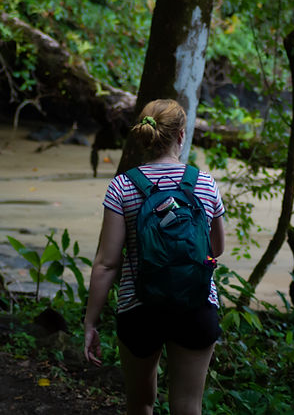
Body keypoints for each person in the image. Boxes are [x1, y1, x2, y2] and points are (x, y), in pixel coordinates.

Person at [83, 99, 226, 415]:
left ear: (143, 136)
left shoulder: (123, 186)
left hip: (140, 309)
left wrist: (91, 321)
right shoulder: (204, 183)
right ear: (181, 135)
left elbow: (107, 263)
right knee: (188, 405)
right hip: (196, 305)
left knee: (140, 403)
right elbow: (216, 250)